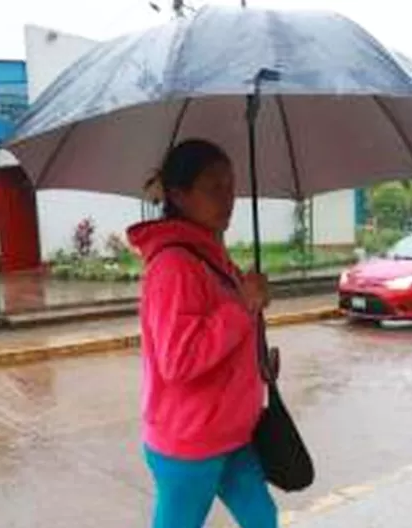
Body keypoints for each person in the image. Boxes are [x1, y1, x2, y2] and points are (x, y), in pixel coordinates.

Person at [126, 139, 277, 528]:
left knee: (263, 519)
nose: (228, 198)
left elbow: (228, 329)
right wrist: (243, 305)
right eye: (214, 187)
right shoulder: (174, 265)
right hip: (190, 442)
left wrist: (258, 357)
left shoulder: (213, 254)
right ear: (178, 194)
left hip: (232, 432)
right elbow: (180, 360)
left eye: (231, 186)